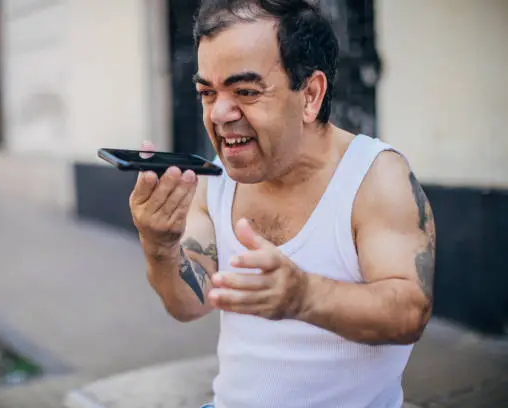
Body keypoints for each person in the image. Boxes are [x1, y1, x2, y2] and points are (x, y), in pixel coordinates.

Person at [128, 1, 436, 407]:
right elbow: (189, 304)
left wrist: (304, 296)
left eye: (246, 92)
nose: (219, 113)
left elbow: (409, 313)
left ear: (310, 94)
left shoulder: (375, 177)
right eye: (207, 92)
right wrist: (159, 245)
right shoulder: (216, 180)